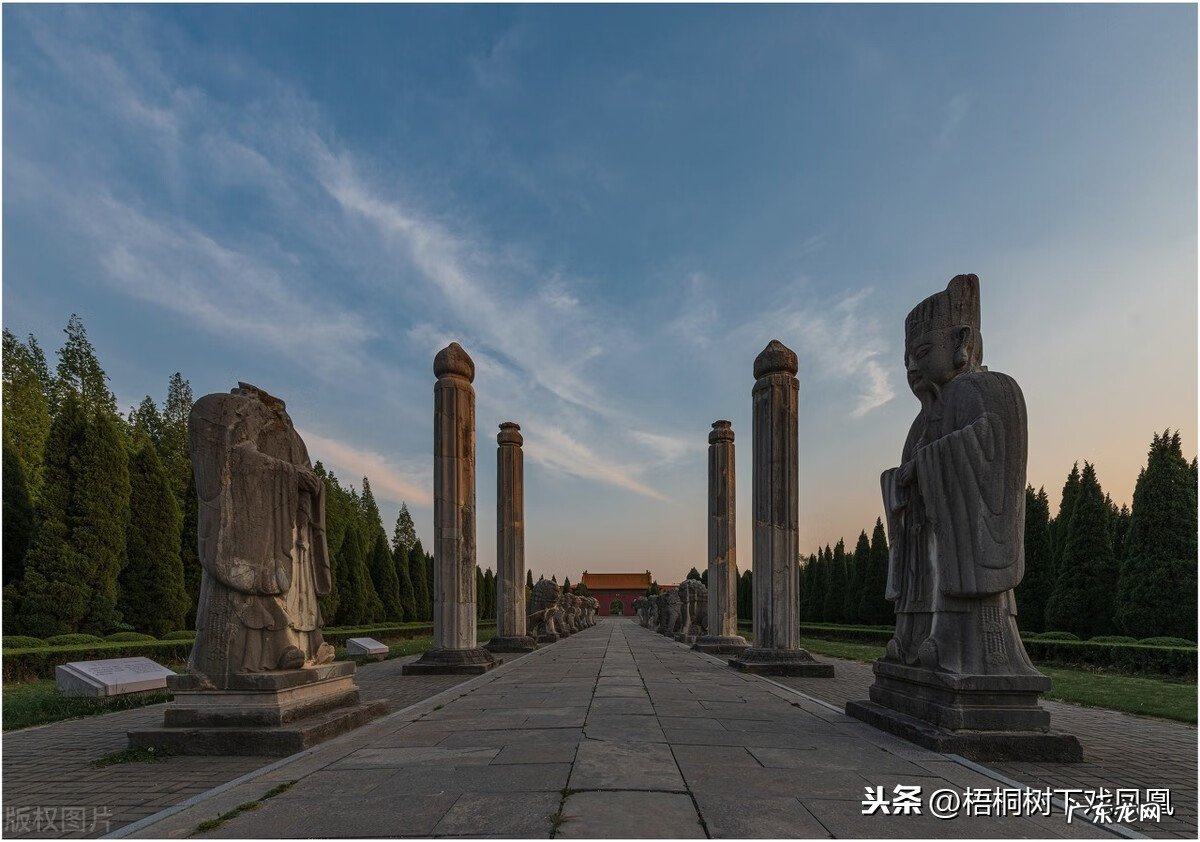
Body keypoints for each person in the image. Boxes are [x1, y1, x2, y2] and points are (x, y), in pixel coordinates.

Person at [881, 275, 1041, 677]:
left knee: (956, 605)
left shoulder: (986, 389)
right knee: (921, 581)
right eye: (907, 360)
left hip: (963, 543)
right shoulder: (920, 424)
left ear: (961, 342)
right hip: (923, 540)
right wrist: (899, 481)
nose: (913, 366)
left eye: (922, 351)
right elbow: (908, 472)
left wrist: (928, 466)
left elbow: (992, 453)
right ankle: (912, 636)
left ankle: (961, 647)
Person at [187, 382, 334, 686]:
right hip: (251, 532)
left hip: (291, 529)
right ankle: (257, 657)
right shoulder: (225, 415)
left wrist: (308, 485)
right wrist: (290, 475)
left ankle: (299, 646)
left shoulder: (290, 436)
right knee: (252, 592)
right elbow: (236, 462)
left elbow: (306, 472)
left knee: (290, 594)